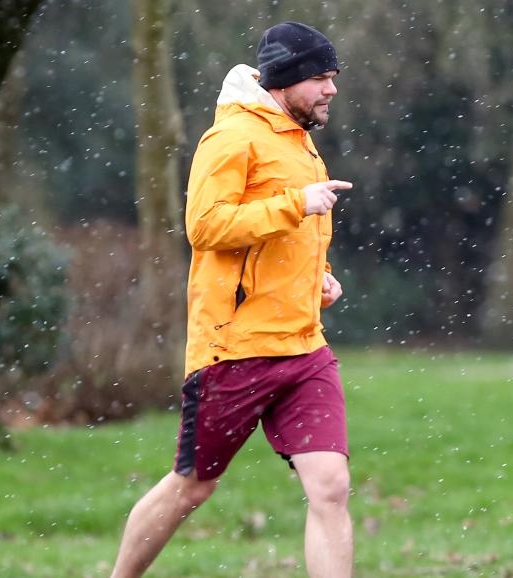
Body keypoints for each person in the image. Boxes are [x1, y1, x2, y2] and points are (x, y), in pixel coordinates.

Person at [109, 21, 354, 578]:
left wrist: (321, 277)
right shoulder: (231, 138)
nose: (330, 89)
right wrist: (296, 203)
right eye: (319, 78)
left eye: (332, 77)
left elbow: (290, 237)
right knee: (192, 486)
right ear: (286, 81)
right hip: (234, 352)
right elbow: (206, 226)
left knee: (331, 486)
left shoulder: (298, 139)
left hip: (303, 349)